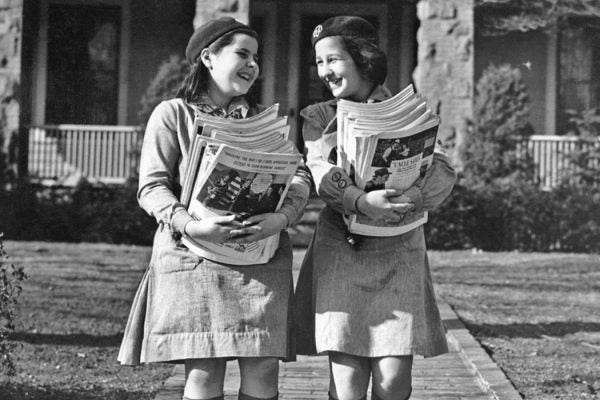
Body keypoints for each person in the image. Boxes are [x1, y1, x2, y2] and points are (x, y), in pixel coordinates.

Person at [117, 17, 311, 400]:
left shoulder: (265, 122)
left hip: (261, 260)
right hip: (194, 258)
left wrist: (282, 217)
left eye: (256, 57)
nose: (252, 65)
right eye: (242, 53)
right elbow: (152, 187)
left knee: (264, 367)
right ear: (208, 57)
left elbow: (299, 174)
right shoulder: (172, 115)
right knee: (205, 371)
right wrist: (189, 225)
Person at [294, 16, 457, 400]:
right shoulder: (318, 118)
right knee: (347, 385)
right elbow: (320, 171)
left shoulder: (410, 110)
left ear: (361, 58)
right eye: (319, 62)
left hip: (399, 250)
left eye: (332, 59)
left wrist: (413, 197)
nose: (325, 72)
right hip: (342, 249)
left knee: (393, 381)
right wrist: (360, 200)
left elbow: (444, 170)